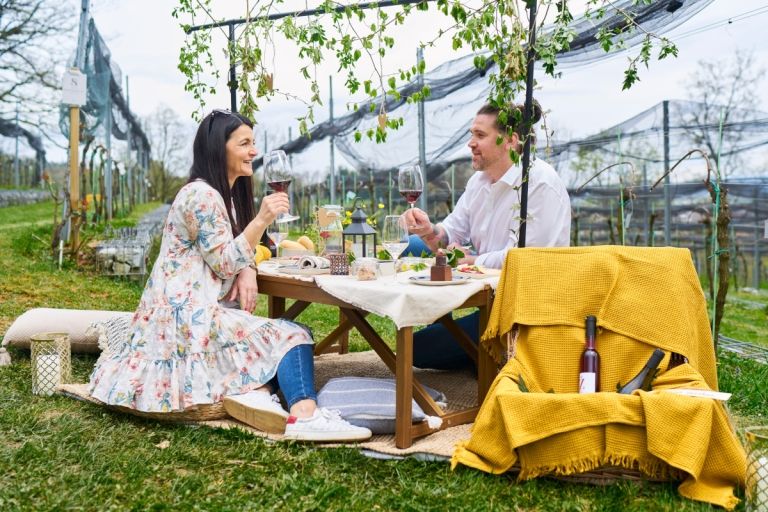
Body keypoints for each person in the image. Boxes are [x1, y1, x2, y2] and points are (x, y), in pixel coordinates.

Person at [89, 109, 371, 442]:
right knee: (294, 335)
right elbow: (225, 261)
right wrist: (262, 220)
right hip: (188, 321)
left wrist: (248, 268)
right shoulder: (202, 196)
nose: (254, 151)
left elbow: (231, 252)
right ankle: (305, 415)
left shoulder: (220, 196)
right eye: (244, 143)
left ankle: (259, 393)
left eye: (254, 143)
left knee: (281, 337)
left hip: (194, 313)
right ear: (217, 149)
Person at [401, 101, 571, 370]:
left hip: (522, 308)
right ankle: (480, 357)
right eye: (472, 134)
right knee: (408, 245)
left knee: (415, 349)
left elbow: (524, 259)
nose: (470, 143)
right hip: (487, 294)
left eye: (480, 135)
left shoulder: (539, 184)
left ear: (511, 141)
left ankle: (499, 360)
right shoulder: (478, 182)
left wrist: (471, 260)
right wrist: (428, 230)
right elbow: (450, 233)